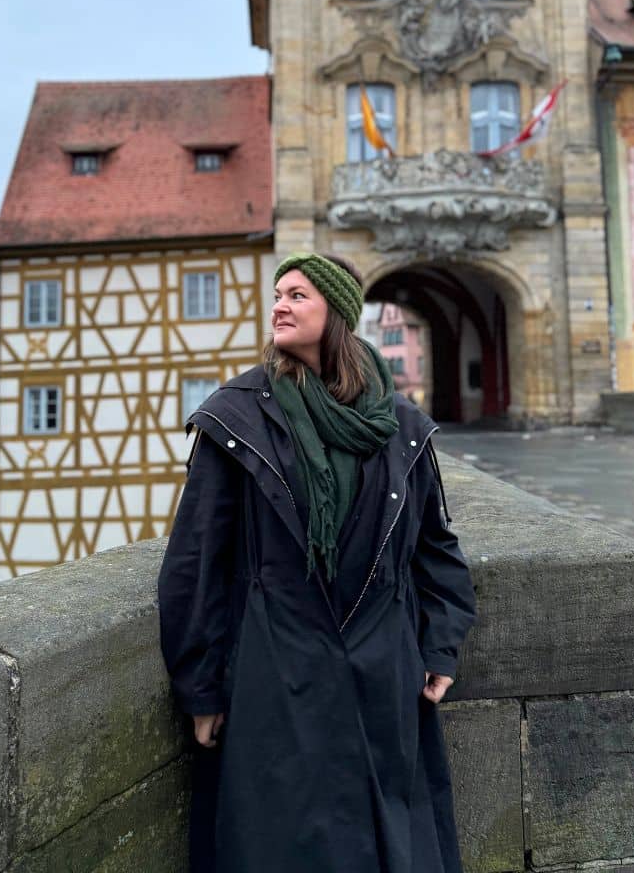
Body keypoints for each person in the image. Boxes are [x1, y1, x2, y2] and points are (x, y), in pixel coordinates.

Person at [158, 252, 477, 873]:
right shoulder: (239, 417)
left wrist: (440, 647)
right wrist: (199, 687)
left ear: (337, 313)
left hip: (384, 675)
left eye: (298, 295)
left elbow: (434, 547)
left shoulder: (400, 424)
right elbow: (194, 562)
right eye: (277, 294)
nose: (279, 304)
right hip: (276, 674)